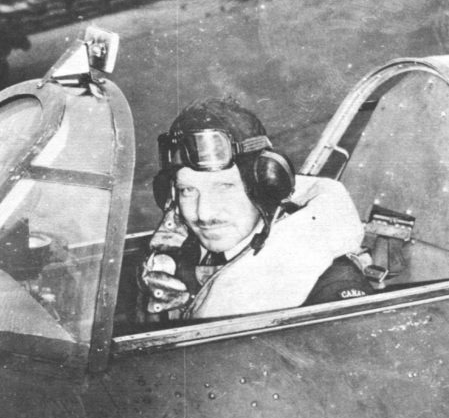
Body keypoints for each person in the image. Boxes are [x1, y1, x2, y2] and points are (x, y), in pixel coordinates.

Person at [140, 97, 372, 321]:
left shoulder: (333, 286)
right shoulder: (187, 255)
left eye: (224, 187)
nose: (204, 214)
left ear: (265, 187)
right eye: (187, 191)